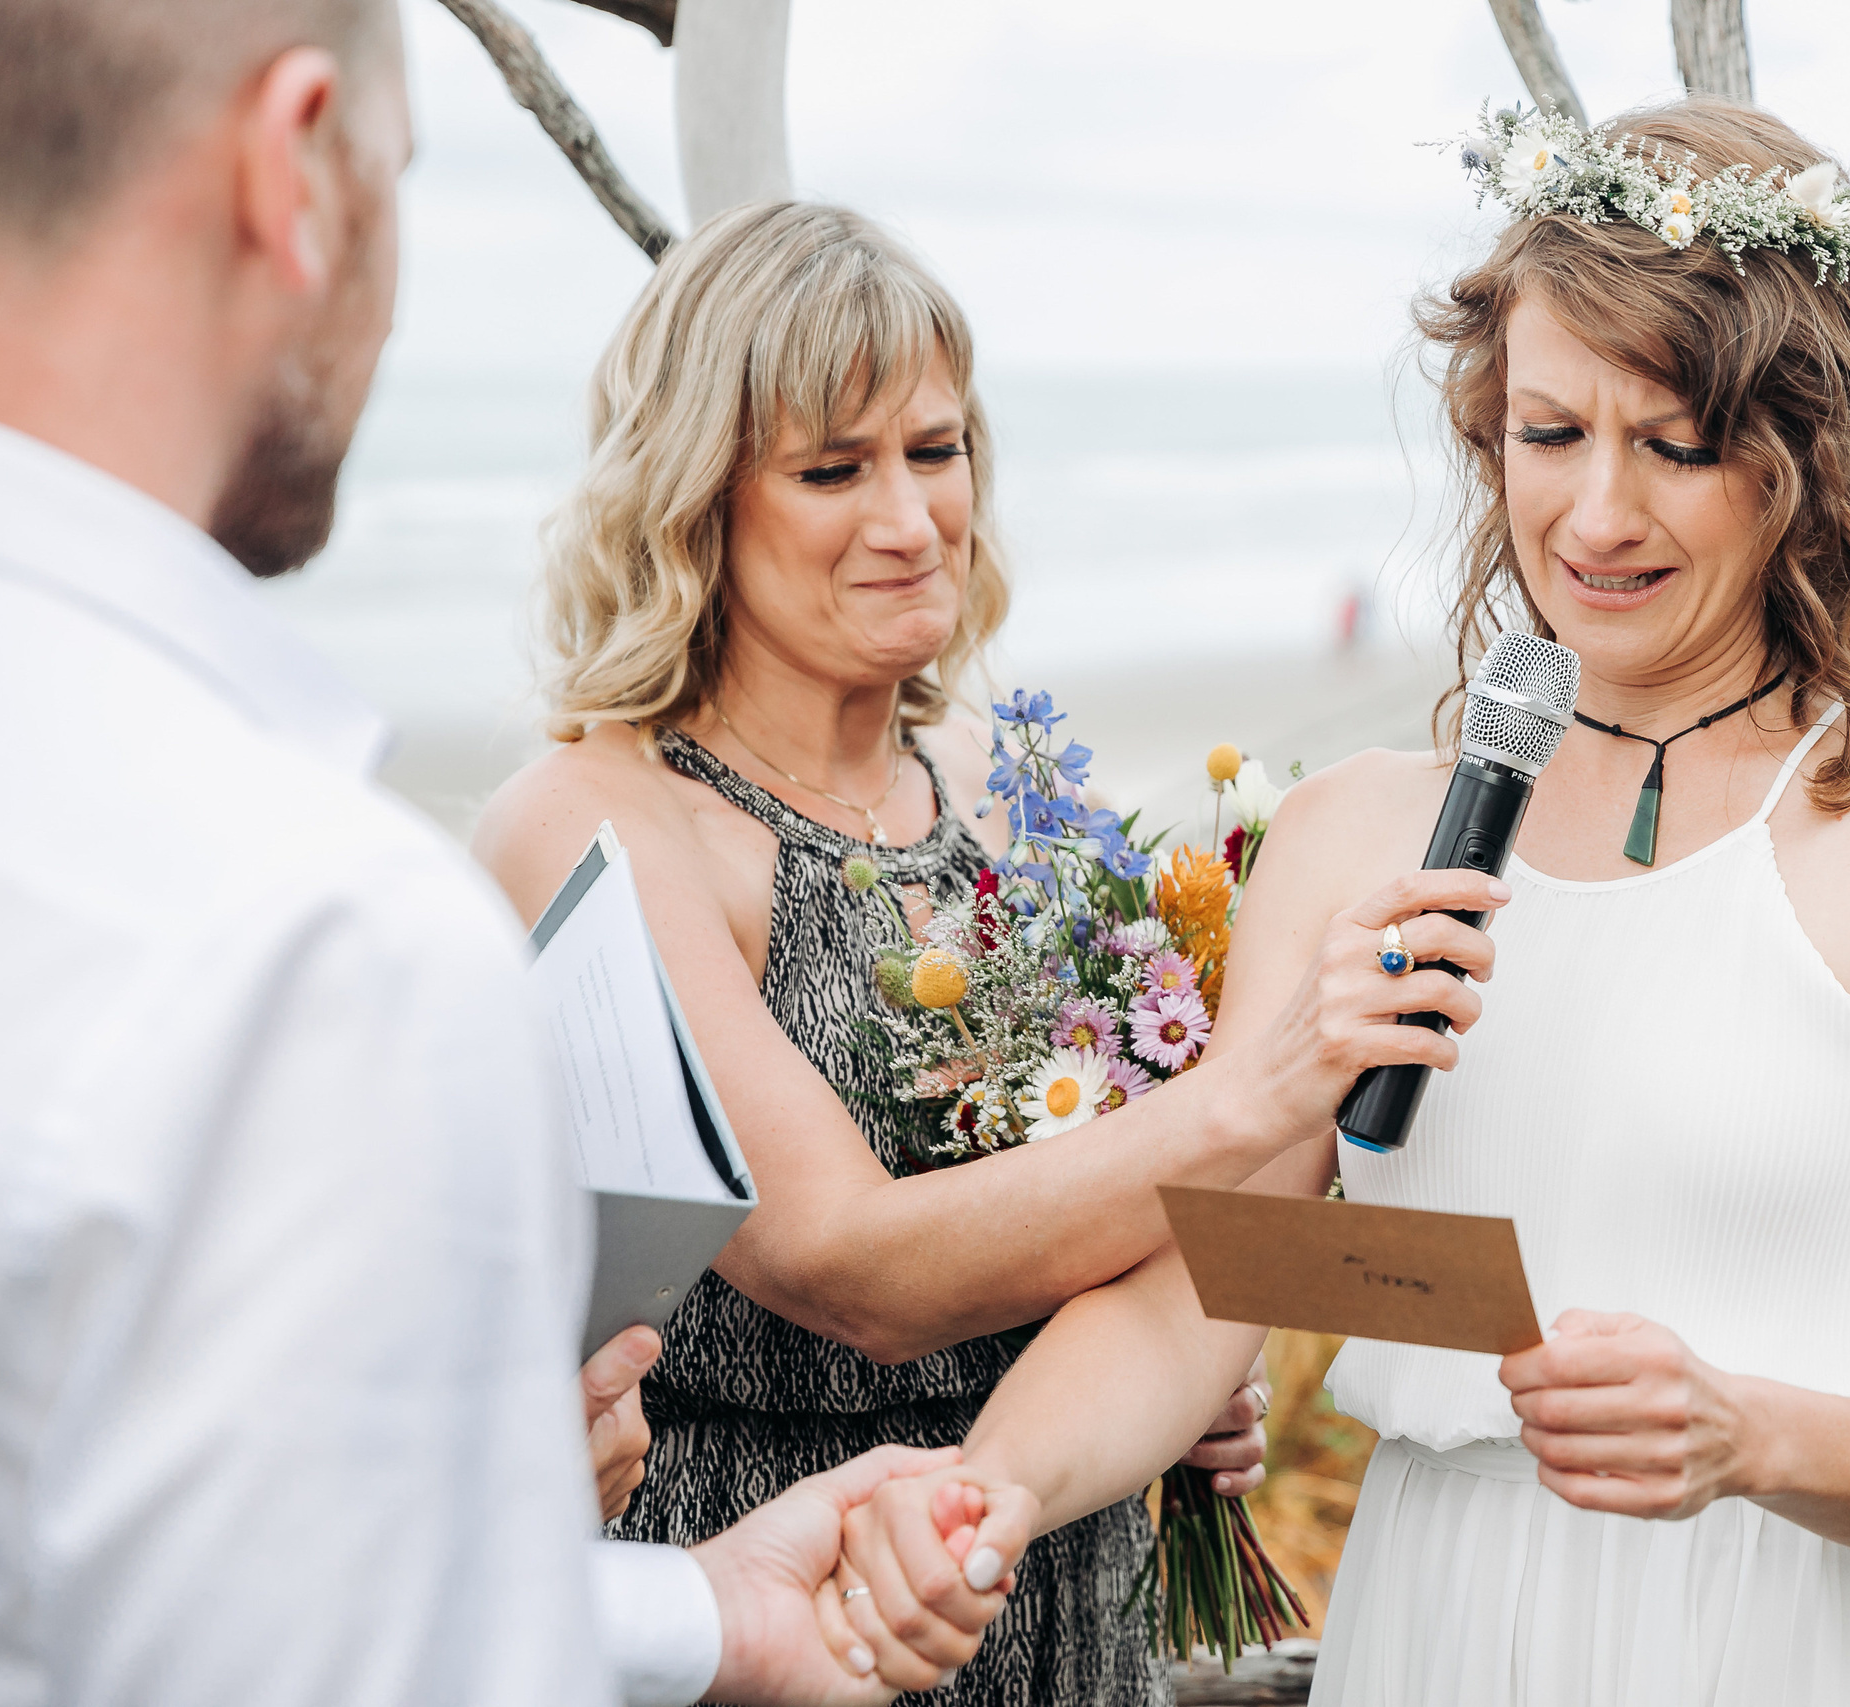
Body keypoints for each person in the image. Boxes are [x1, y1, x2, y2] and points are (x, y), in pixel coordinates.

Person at [841, 98, 1850, 1704]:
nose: (1594, 517)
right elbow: (1199, 1299)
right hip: (1440, 1632)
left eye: (1675, 445)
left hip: (1802, 1638)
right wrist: (997, 1489)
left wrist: (1755, 1434)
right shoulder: (1355, 831)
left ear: (1805, 457)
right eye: (1551, 434)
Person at [0, 3, 1026, 1701]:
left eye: (935, 451)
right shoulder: (321, 938)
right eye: (402, 175)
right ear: (295, 162)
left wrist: (689, 1609)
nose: (904, 513)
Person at [472, 197, 1516, 1704]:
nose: (910, 521)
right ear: (696, 501)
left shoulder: (1002, 779)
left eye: (936, 450)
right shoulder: (596, 819)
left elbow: (1133, 1213)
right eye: (833, 470)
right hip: (792, 1602)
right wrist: (1257, 1093)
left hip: (1056, 1581)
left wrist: (1184, 1364)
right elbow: (849, 1265)